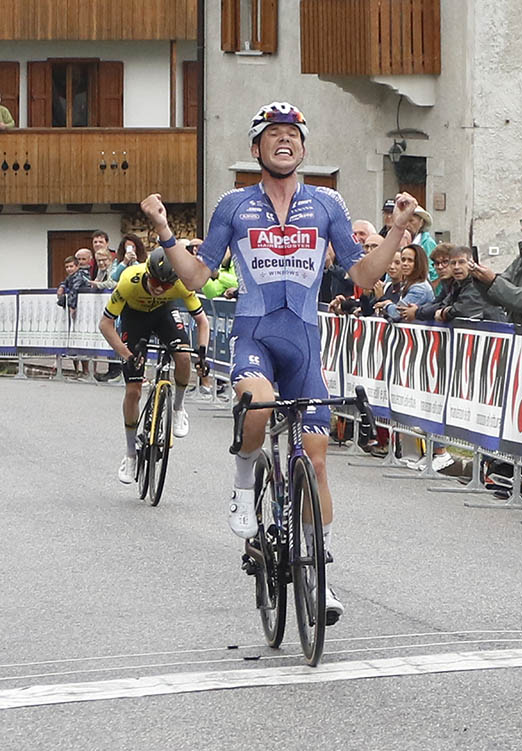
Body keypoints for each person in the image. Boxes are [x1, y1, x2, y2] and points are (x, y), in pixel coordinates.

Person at [139, 101, 416, 625]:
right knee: (260, 402)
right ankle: (244, 484)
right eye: (273, 134)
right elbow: (197, 278)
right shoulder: (234, 205)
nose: (284, 141)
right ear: (256, 148)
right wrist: (164, 231)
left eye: (293, 134)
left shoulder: (328, 203)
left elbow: (360, 277)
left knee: (315, 455)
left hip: (305, 341)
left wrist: (398, 230)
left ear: (304, 148)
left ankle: (318, 574)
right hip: (255, 333)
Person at [98, 248, 210, 484]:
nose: (160, 288)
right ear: (148, 274)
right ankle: (130, 454)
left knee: (182, 355)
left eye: (167, 285)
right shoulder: (130, 280)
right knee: (133, 391)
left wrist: (202, 353)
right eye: (157, 281)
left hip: (163, 314)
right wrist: (127, 355)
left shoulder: (180, 284)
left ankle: (178, 408)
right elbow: (105, 324)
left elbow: (202, 322)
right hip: (134, 317)